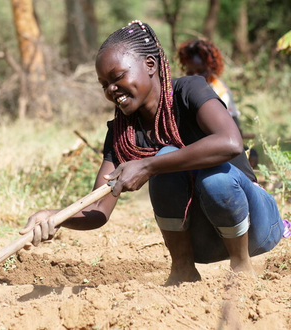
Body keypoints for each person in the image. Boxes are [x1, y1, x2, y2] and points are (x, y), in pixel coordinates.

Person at [20, 20, 286, 286]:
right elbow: (99, 208)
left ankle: (241, 268)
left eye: (117, 77)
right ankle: (182, 268)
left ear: (150, 65)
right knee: (165, 158)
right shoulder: (122, 133)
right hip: (202, 243)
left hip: (254, 229)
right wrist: (56, 217)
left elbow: (230, 142)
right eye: (104, 85)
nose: (111, 90)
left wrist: (149, 165)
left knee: (203, 174)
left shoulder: (189, 91)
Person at [177, 39, 259, 168]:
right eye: (190, 72)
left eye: (201, 71)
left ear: (211, 68)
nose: (195, 76)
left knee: (250, 155)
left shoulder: (220, 91)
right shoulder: (183, 87)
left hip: (216, 138)